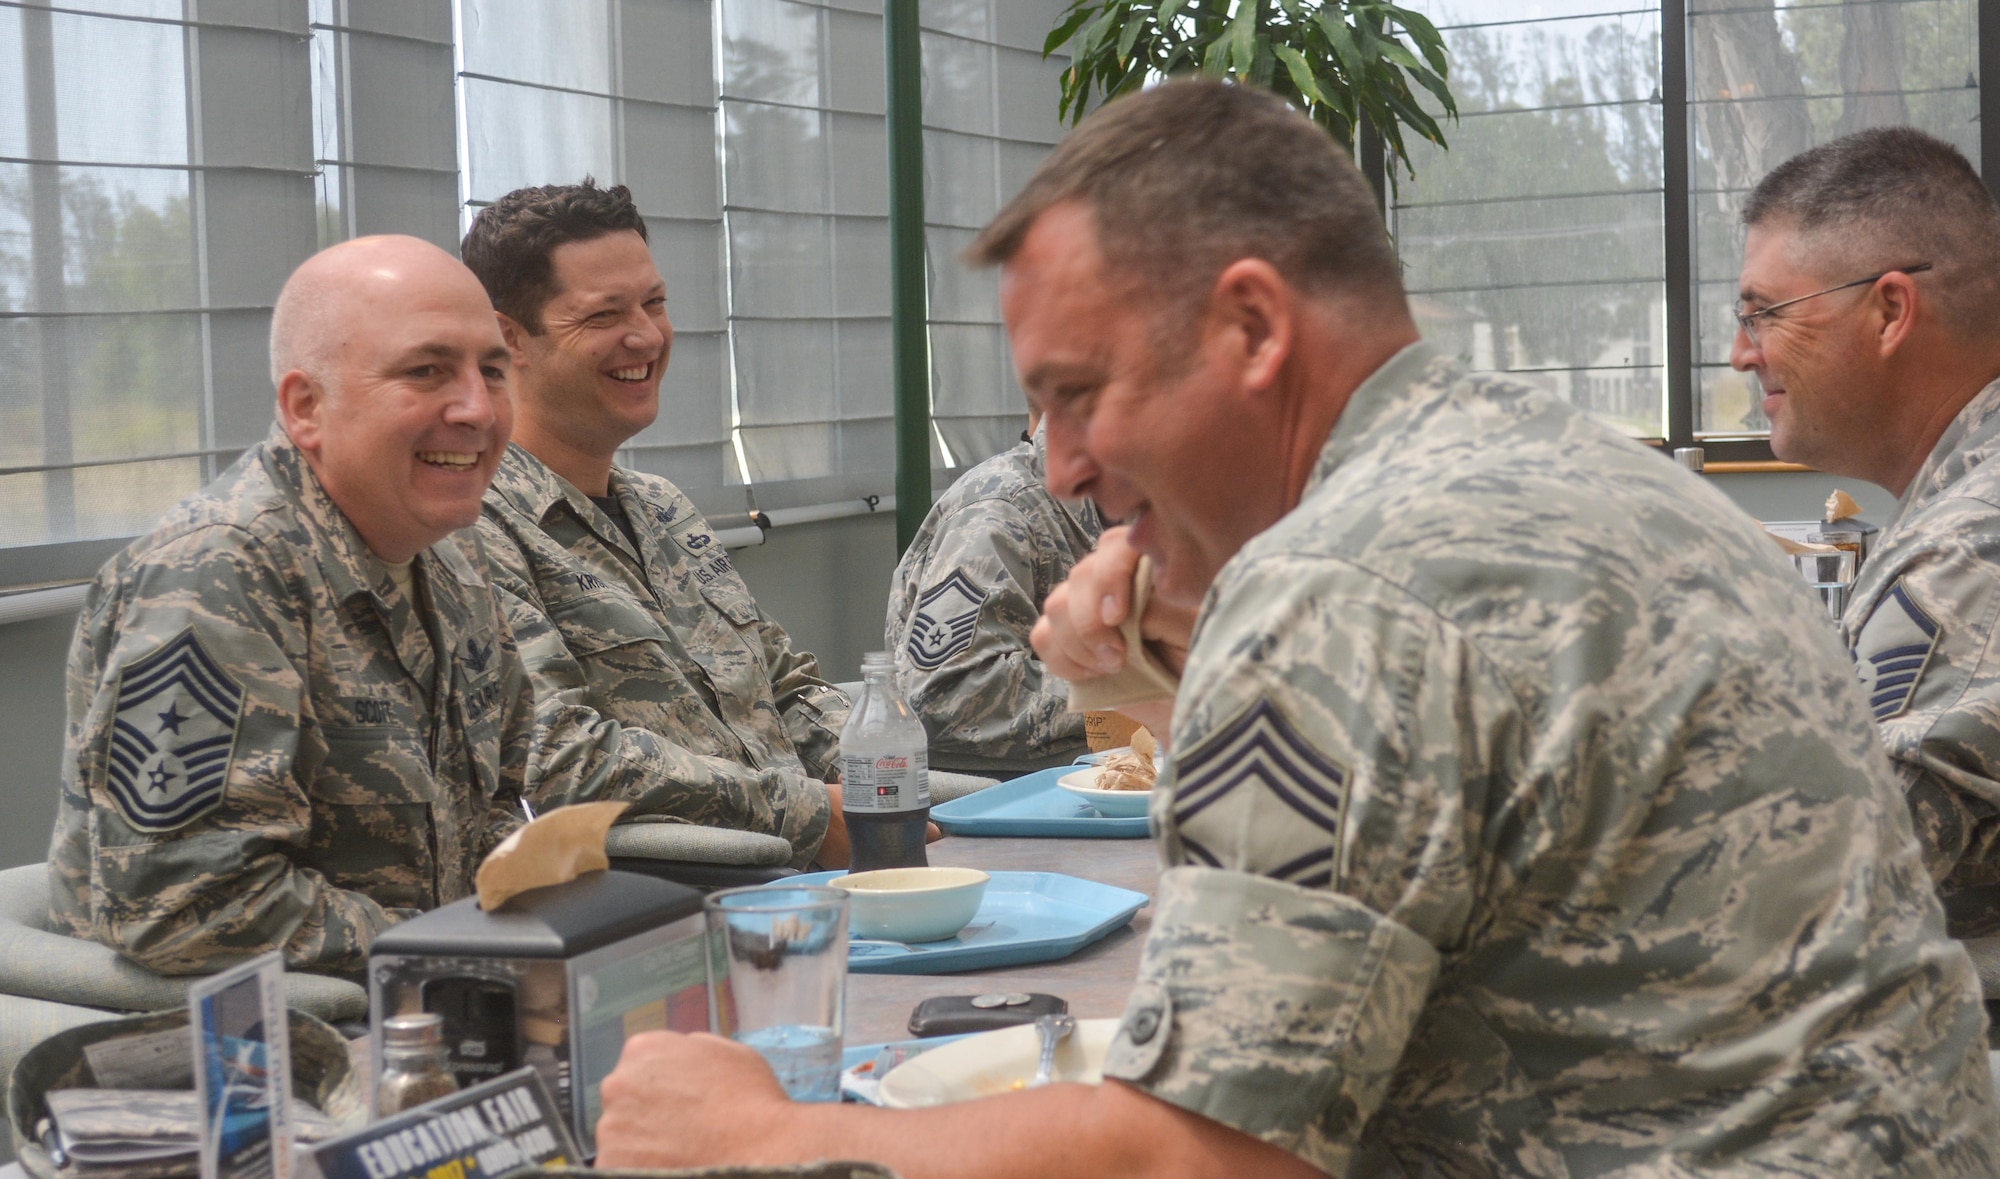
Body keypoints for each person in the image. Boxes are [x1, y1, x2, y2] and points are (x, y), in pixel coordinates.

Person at [594, 83, 1997, 1177]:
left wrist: (765, 1135)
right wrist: (1169, 678)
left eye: (1081, 391)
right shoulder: (1594, 472)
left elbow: (1211, 1147)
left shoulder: (1340, 580)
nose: (1065, 464)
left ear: (1252, 328)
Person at [48, 236, 540, 977]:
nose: (477, 408)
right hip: (256, 1053)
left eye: (493, 370)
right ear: (306, 407)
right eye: (428, 370)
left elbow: (502, 805)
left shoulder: (451, 561)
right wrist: (457, 949)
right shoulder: (217, 574)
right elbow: (185, 905)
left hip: (431, 1009)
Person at [462, 182, 851, 870]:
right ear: (508, 338)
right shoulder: (476, 528)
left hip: (820, 865)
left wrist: (888, 766)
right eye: (604, 315)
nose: (645, 335)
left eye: (655, 303)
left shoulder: (662, 506)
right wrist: (809, 814)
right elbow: (562, 757)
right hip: (688, 901)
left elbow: (786, 686)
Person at [1730, 127, 2000, 935]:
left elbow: (1802, 883)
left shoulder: (1966, 557)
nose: (1742, 354)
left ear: (1890, 310)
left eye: (1764, 314)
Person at [885, 412, 1103, 774]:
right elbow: (949, 696)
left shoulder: (1162, 505)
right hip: (1018, 800)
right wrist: (1137, 690)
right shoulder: (1000, 510)